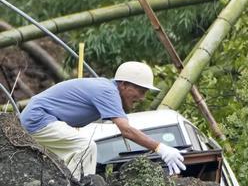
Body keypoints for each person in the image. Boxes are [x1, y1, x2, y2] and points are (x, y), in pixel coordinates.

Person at [19, 61, 186, 179]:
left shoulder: (107, 89)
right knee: (84, 147)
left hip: (42, 118)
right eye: (141, 91)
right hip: (39, 117)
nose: (142, 98)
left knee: (73, 154)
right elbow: (126, 130)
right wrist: (160, 148)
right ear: (124, 85)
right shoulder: (108, 91)